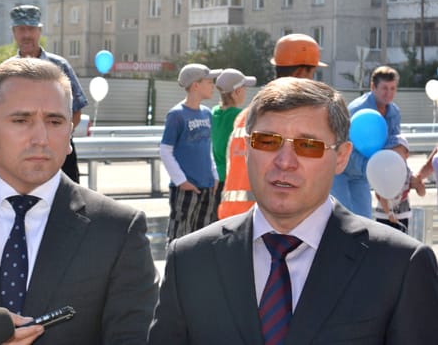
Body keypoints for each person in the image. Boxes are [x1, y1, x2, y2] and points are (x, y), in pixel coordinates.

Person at [148, 77, 438, 344]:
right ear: (247, 148)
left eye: (308, 145)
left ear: (342, 157)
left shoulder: (400, 266)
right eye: (267, 141)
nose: (285, 161)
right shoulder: (189, 261)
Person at [0, 58, 159, 344]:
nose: (40, 137)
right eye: (21, 120)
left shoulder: (118, 230)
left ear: (69, 134)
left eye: (54, 121)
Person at [218, 33, 327, 219]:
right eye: (312, 73)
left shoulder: (248, 114)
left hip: (232, 218)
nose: (314, 81)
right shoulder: (293, 119)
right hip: (265, 221)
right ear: (300, 73)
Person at [10, 5, 88, 183]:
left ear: (39, 31)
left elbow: (76, 111)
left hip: (58, 148)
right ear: (14, 32)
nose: (26, 35)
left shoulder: (59, 66)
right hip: (20, 149)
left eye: (31, 29)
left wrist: (58, 138)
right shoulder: (7, 71)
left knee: (67, 203)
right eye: (21, 29)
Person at [160, 63, 222, 242]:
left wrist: (214, 174)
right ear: (196, 85)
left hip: (207, 185)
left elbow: (207, 146)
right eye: (209, 82)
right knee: (180, 235)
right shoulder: (176, 115)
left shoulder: (207, 113)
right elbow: (165, 150)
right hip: (186, 188)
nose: (213, 86)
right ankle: (174, 269)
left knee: (203, 236)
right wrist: (181, 181)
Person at [331, 66, 401, 218]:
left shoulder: (394, 112)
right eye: (384, 88)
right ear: (373, 87)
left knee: (365, 219)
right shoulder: (357, 109)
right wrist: (370, 168)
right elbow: (344, 145)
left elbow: (392, 144)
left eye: (393, 88)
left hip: (362, 174)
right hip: (340, 171)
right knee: (341, 218)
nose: (388, 93)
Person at [211, 68, 256, 219]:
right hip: (232, 179)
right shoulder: (240, 117)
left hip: (216, 178)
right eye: (244, 88)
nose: (245, 92)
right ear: (236, 92)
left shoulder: (214, 113)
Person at [374, 135, 425, 232]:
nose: (392, 155)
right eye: (389, 152)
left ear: (406, 154)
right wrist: (389, 213)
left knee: (402, 243)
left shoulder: (408, 173)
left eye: (396, 152)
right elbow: (381, 195)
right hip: (384, 215)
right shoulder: (384, 172)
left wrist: (419, 184)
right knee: (383, 242)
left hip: (402, 214)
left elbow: (422, 193)